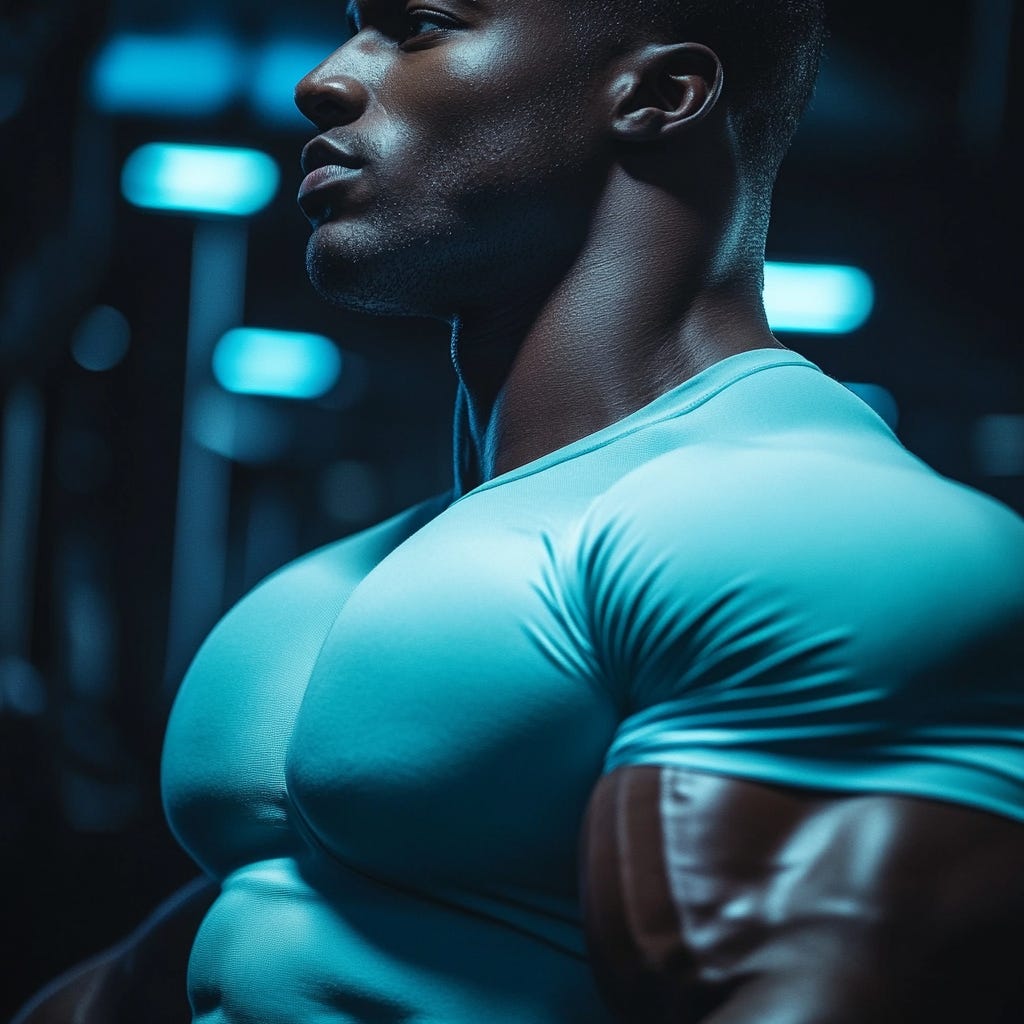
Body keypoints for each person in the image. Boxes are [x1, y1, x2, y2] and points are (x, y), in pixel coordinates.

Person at [16, 0, 1024, 1021]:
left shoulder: (813, 532)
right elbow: (261, 944)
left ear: (660, 95)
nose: (320, 78)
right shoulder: (377, 572)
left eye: (417, 28)